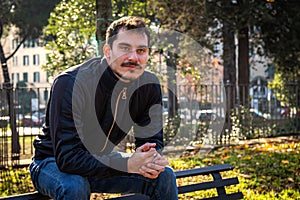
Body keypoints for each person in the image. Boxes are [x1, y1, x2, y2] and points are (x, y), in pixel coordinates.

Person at [29, 16, 178, 200]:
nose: (133, 57)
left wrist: (150, 159)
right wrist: (128, 163)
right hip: (52, 163)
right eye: (124, 48)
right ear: (107, 51)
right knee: (75, 186)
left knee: (164, 176)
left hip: (102, 160)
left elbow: (152, 141)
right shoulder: (71, 83)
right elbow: (67, 157)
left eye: (141, 50)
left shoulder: (148, 85)